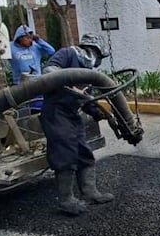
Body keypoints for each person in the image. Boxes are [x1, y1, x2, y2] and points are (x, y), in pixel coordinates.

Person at [40, 33, 113, 216]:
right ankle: (66, 200)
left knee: (84, 152)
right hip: (56, 112)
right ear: (93, 50)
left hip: (72, 114)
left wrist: (97, 113)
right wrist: (69, 83)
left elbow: (86, 99)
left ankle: (90, 192)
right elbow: (48, 71)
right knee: (65, 152)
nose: (98, 62)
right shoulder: (68, 54)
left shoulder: (90, 73)